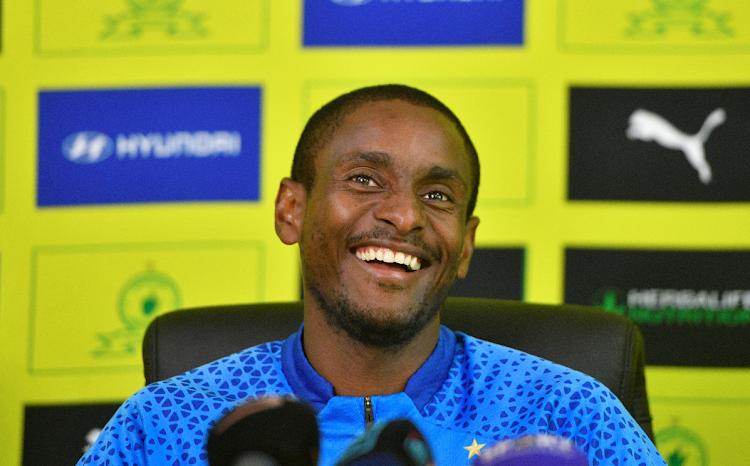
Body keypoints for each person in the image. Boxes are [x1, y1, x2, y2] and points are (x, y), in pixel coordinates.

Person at [78, 85, 666, 466]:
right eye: (364, 179)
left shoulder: (568, 414)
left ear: (464, 245)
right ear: (291, 210)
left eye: (437, 195)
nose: (405, 216)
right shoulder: (164, 424)